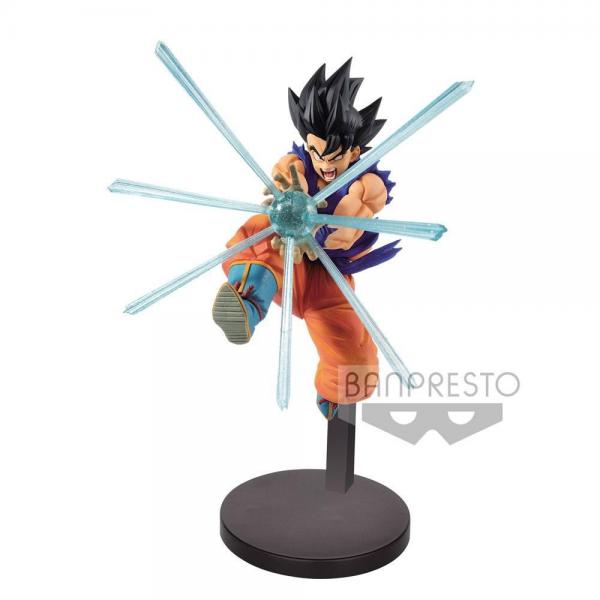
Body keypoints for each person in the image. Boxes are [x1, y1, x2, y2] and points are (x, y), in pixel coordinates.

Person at [212, 59, 399, 419]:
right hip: (286, 259)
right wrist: (290, 203)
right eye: (315, 151)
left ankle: (337, 392)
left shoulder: (367, 185)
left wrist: (318, 227)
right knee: (266, 237)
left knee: (355, 361)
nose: (323, 164)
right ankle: (248, 300)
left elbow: (345, 229)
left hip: (329, 278)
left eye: (334, 156)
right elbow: (285, 174)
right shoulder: (296, 165)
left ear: (354, 152)